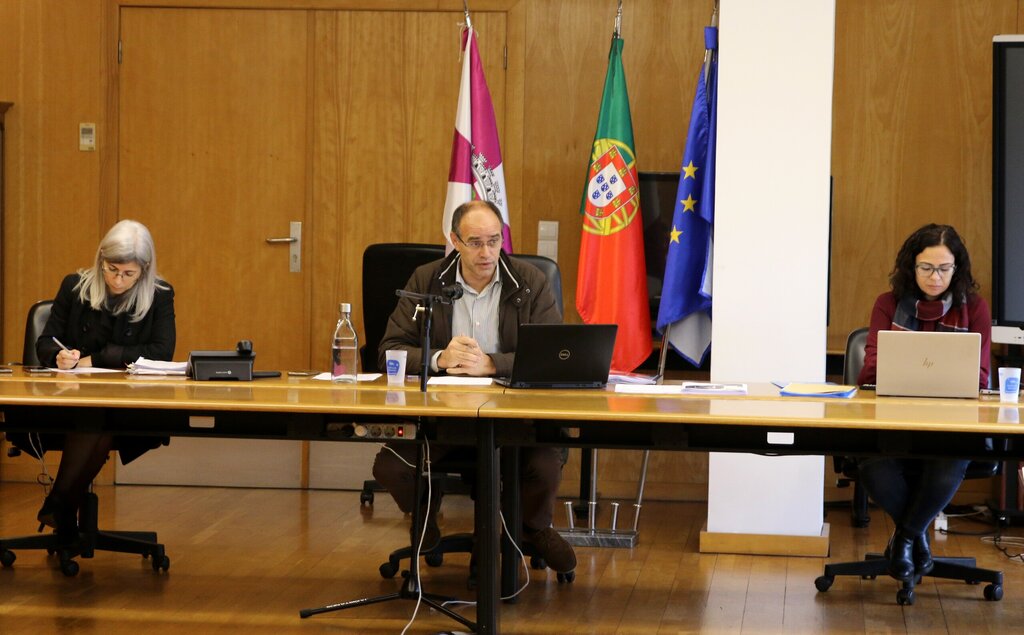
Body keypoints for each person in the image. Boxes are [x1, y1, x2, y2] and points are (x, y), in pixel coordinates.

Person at [372, 200, 576, 574]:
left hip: (516, 418)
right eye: (476, 242)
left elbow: (551, 355)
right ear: (455, 241)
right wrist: (439, 359)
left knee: (544, 466)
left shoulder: (530, 281)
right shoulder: (427, 280)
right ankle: (424, 520)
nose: (486, 253)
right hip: (442, 418)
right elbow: (389, 351)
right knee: (391, 466)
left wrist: (493, 364)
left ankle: (533, 528)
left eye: (494, 241)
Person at [12, 220, 176, 545]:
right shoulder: (74, 287)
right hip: (69, 401)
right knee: (95, 420)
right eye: (111, 269)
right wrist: (57, 357)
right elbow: (45, 342)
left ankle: (59, 506)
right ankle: (61, 509)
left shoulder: (160, 295)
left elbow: (161, 351)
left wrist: (96, 359)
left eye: (128, 273)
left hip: (130, 404)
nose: (118, 279)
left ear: (144, 270)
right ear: (101, 260)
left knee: (99, 419)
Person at [856, 223, 990, 580]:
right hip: (892, 419)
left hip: (952, 424)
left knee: (948, 462)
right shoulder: (887, 304)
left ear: (957, 269)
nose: (935, 277)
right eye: (926, 268)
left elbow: (980, 376)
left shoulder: (975, 308)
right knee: (872, 463)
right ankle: (917, 539)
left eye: (944, 268)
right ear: (911, 266)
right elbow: (871, 369)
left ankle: (905, 539)